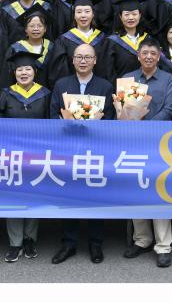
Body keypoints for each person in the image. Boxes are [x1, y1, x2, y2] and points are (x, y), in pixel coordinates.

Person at [49, 43, 115, 265]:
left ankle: (96, 243)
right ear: (73, 60)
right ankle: (68, 243)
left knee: (95, 196)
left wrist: (95, 126)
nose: (83, 61)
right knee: (69, 196)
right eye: (79, 57)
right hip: (68, 148)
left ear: (95, 60)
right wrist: (66, 126)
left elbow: (110, 118)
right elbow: (53, 114)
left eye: (87, 57)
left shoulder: (105, 86)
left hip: (95, 149)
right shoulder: (61, 85)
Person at [122, 39, 172, 268]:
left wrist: (147, 127)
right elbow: (122, 108)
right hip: (133, 143)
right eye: (144, 52)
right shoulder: (127, 79)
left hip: (158, 143)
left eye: (153, 53)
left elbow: (170, 109)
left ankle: (163, 245)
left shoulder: (168, 79)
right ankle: (142, 239)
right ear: (138, 55)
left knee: (159, 192)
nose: (148, 57)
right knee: (137, 190)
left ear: (159, 56)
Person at [0, 50, 49, 263]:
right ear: (14, 73)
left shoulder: (45, 94)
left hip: (37, 153)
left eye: (27, 69)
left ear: (34, 72)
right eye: (19, 70)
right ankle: (15, 242)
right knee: (14, 196)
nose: (23, 73)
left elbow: (52, 125)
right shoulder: (6, 94)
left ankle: (30, 239)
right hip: (12, 154)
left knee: (34, 195)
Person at [47, 0, 111, 84]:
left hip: (98, 89)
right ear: (74, 15)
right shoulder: (63, 41)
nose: (83, 15)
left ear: (93, 14)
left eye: (87, 11)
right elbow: (60, 71)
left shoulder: (103, 39)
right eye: (79, 12)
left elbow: (107, 69)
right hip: (71, 89)